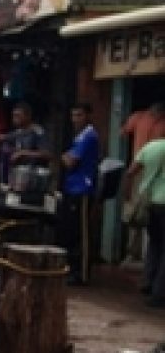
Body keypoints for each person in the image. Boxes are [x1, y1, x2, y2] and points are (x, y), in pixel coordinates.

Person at [59, 104, 100, 286]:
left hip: (82, 188)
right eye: (73, 115)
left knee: (82, 234)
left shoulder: (88, 136)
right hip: (72, 187)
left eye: (79, 115)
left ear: (88, 116)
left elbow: (70, 161)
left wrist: (65, 157)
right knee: (72, 231)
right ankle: (74, 269)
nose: (76, 119)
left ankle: (82, 273)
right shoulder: (80, 137)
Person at [128, 137, 165, 307]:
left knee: (154, 243)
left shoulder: (150, 146)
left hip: (150, 202)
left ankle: (148, 283)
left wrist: (130, 194)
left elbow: (131, 171)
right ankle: (159, 294)